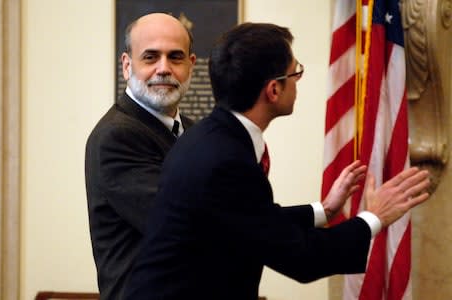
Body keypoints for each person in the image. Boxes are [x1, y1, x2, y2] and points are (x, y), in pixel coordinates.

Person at [121, 22, 430, 300]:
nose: (298, 82)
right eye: (295, 73)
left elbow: (254, 220)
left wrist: (326, 209)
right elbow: (302, 258)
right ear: (273, 89)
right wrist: (375, 217)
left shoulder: (212, 137)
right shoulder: (225, 160)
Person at [84, 13, 196, 300]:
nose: (164, 68)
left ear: (191, 65)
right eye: (150, 57)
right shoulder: (117, 136)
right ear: (126, 65)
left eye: (175, 57)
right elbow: (186, 224)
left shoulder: (194, 132)